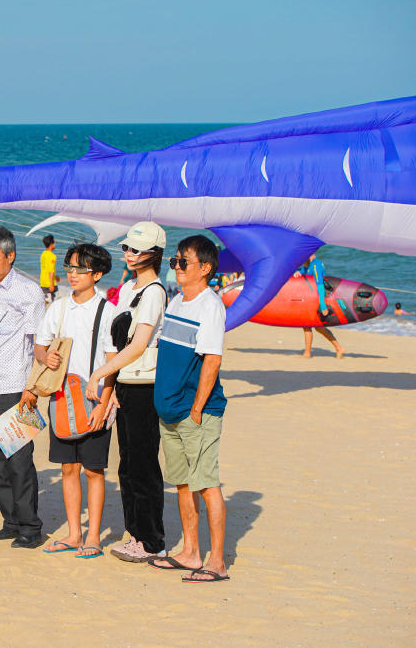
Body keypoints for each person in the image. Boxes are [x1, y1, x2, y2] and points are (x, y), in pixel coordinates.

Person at [24, 243, 117, 559]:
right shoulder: (58, 308)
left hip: (95, 398)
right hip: (62, 398)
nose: (72, 274)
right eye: (70, 268)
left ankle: (94, 536)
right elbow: (40, 347)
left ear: (97, 274)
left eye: (80, 269)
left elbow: (113, 363)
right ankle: (74, 533)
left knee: (94, 470)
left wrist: (104, 404)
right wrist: (45, 356)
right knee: (68, 468)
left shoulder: (107, 311)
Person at [148, 235, 230, 583]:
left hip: (196, 412)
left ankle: (217, 561)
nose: (177, 267)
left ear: (205, 268)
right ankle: (191, 552)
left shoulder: (210, 305)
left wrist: (196, 409)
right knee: (183, 483)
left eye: (184, 262)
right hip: (170, 410)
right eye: (175, 261)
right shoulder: (178, 301)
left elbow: (212, 360)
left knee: (206, 484)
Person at [87, 221, 169, 563]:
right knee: (128, 465)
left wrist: (100, 373)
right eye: (126, 248)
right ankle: (135, 533)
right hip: (126, 386)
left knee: (144, 465)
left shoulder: (154, 292)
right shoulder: (128, 289)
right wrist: (112, 385)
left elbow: (138, 345)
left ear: (154, 254)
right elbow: (116, 342)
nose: (130, 254)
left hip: (145, 387)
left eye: (137, 250)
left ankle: (152, 540)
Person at [0, 226, 46, 548]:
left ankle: (30, 526)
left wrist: (32, 388)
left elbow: (39, 343)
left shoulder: (28, 292)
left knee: (19, 460)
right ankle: (11, 521)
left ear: (10, 256)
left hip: (15, 387)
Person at [297, 253, 346, 359]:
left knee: (310, 325)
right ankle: (338, 348)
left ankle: (308, 353)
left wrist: (323, 306)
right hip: (312, 299)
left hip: (318, 299)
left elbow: (320, 285)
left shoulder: (315, 265)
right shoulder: (308, 264)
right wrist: (298, 272)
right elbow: (303, 272)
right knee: (316, 327)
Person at [39, 234, 58, 303]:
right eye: (54, 242)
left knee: (45, 302)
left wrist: (55, 277)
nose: (55, 244)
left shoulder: (43, 254)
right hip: (49, 284)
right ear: (51, 244)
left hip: (43, 282)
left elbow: (46, 269)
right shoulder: (52, 256)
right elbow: (51, 271)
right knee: (53, 303)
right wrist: (51, 284)